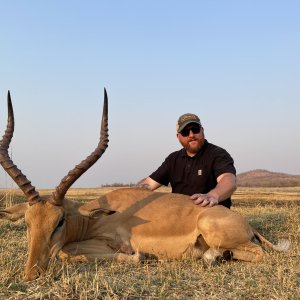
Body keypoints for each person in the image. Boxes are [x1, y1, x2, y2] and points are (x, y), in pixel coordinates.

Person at [138, 113, 237, 209]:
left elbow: (228, 179)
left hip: (210, 214)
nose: (191, 135)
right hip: (180, 216)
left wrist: (213, 195)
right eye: (185, 132)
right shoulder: (173, 159)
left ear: (202, 130)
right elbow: (149, 184)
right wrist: (129, 194)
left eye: (195, 129)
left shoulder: (217, 154)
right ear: (178, 137)